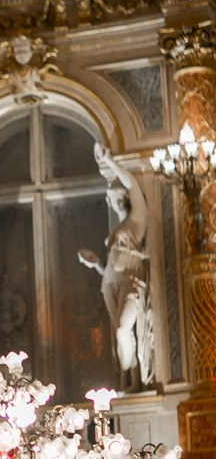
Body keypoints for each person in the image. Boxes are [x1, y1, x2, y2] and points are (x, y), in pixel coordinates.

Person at [78, 145, 154, 393]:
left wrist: (109, 161)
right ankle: (130, 380)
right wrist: (97, 264)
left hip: (132, 282)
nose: (112, 200)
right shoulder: (119, 228)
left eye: (114, 196)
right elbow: (111, 266)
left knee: (123, 329)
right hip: (110, 283)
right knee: (121, 335)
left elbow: (132, 183)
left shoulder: (137, 219)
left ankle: (135, 380)